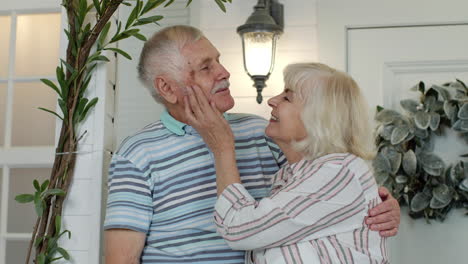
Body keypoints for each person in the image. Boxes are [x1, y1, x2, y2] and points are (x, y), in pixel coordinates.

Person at [103, 26, 399, 264]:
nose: (224, 72)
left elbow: (316, 191)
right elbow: (122, 258)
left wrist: (378, 206)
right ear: (167, 88)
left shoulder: (264, 132)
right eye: (206, 67)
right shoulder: (137, 154)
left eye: (218, 59)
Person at [184, 62, 390, 263]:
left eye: (287, 98)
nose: (272, 100)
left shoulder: (340, 172)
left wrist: (222, 148)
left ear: (319, 118)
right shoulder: (291, 178)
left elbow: (239, 230)